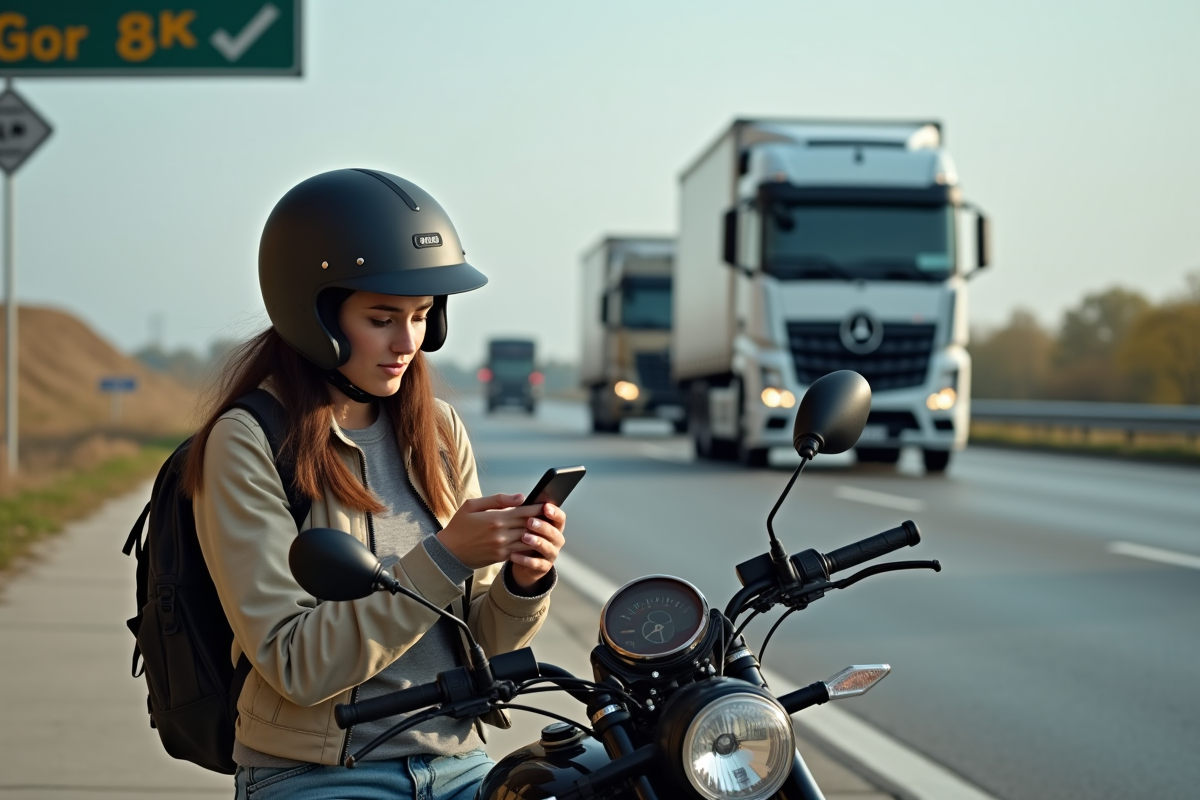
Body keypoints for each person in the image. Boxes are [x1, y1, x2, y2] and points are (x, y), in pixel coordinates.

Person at [184, 169, 564, 800]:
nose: (408, 342)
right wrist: (444, 558)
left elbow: (484, 647)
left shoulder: (437, 431)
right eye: (383, 318)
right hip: (319, 773)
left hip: (460, 760)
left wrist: (526, 581)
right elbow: (293, 664)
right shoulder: (250, 440)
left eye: (421, 317)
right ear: (315, 315)